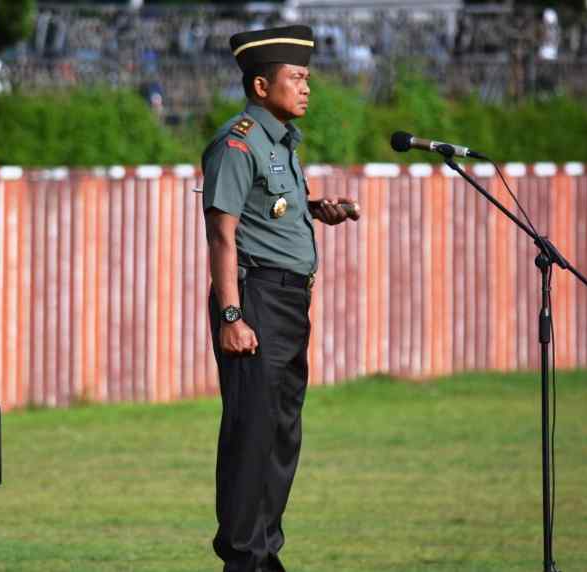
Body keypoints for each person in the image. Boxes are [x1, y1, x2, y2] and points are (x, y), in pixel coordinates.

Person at [201, 25, 360, 572]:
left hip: (290, 304)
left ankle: (264, 553)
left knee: (281, 435)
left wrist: (319, 209)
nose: (307, 87)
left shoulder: (282, 144)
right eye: (296, 78)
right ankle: (243, 558)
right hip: (255, 300)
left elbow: (272, 211)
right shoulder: (238, 142)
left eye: (308, 78)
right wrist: (230, 316)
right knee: (252, 434)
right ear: (262, 85)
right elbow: (222, 233)